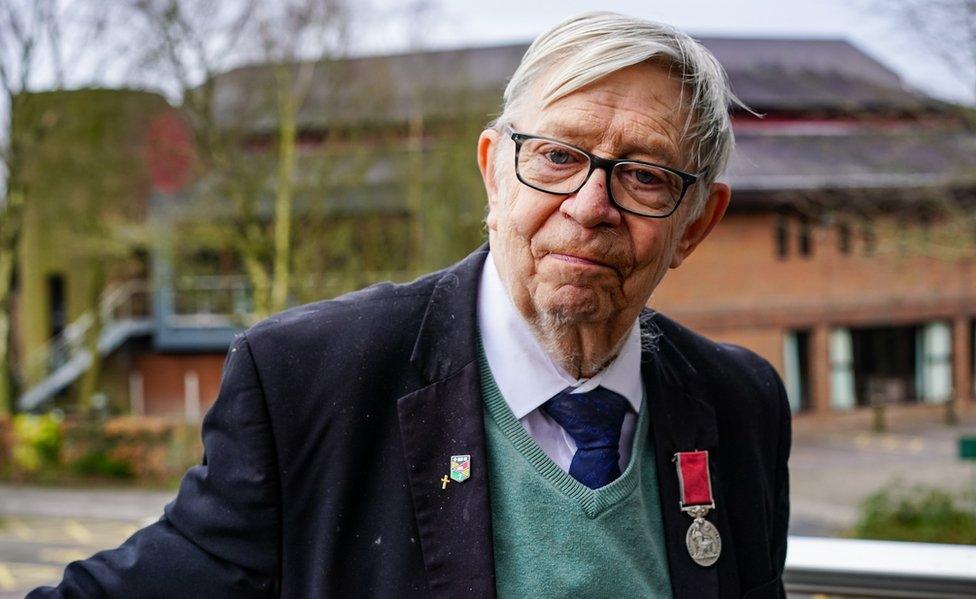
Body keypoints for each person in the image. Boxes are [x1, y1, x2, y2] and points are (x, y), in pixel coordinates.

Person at [31, 11, 790, 599]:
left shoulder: (741, 402)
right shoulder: (308, 380)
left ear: (697, 223)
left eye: (644, 175)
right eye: (558, 156)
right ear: (495, 172)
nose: (590, 206)